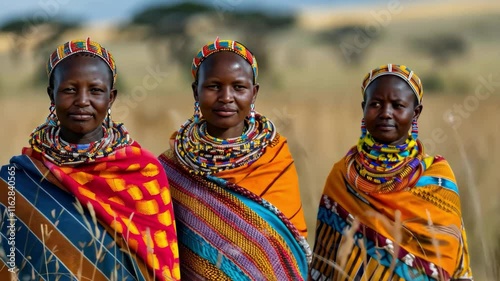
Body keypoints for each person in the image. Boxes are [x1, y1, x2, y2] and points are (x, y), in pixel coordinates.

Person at [0, 38, 180, 281]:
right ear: (51, 95)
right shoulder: (15, 179)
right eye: (69, 90)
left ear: (111, 97)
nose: (82, 100)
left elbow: (162, 266)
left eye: (95, 90)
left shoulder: (143, 173)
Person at [158, 37, 311, 280]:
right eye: (213, 86)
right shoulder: (172, 169)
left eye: (238, 87)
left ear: (254, 92)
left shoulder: (274, 158)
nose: (226, 97)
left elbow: (289, 252)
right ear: (195, 91)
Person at [309, 64, 473, 281]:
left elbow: (449, 260)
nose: (386, 113)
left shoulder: (436, 178)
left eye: (398, 105)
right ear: (364, 108)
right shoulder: (343, 174)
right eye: (375, 104)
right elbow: (326, 262)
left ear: (416, 113)